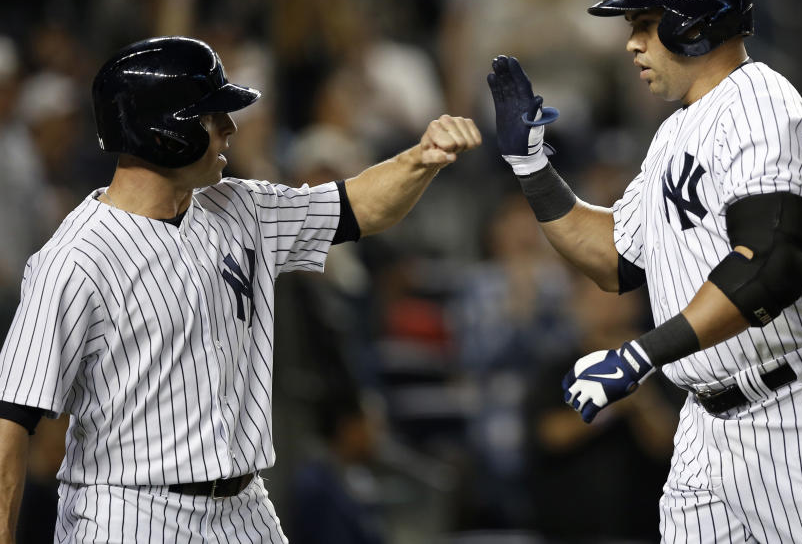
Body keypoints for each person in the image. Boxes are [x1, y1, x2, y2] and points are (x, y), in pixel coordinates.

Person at [486, 0, 802, 542]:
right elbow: (614, 261)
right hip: (707, 425)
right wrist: (532, 169)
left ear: (691, 24)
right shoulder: (677, 130)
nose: (631, 42)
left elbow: (769, 268)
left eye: (645, 22)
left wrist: (640, 355)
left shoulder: (763, 107)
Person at [0, 35, 481, 543]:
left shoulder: (242, 208)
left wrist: (423, 158)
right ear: (166, 131)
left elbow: (359, 207)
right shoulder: (74, 259)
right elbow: (10, 424)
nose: (230, 129)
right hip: (130, 513)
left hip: (246, 510)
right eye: (212, 117)